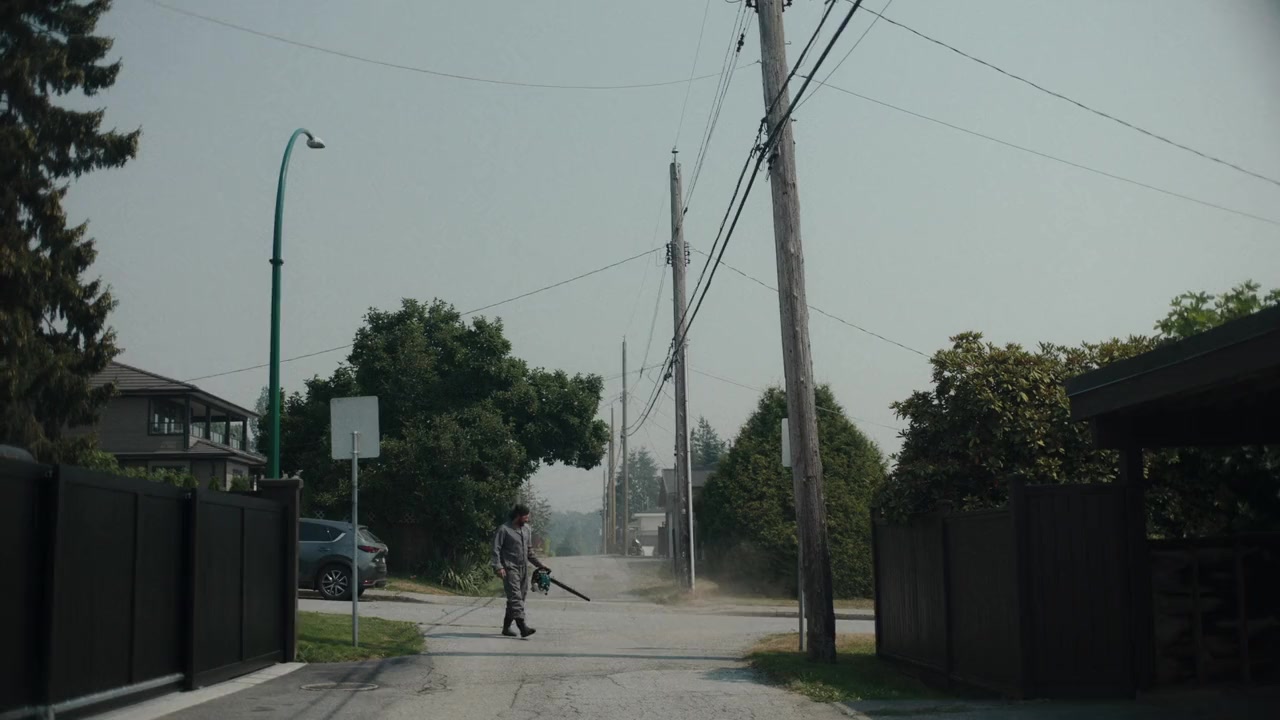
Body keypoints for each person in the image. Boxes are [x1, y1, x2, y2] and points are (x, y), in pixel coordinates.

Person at [490, 503, 550, 637]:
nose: (528, 519)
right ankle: (522, 627)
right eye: (526, 517)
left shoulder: (527, 530)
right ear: (518, 516)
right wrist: (498, 567)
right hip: (509, 568)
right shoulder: (504, 529)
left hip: (523, 568)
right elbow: (495, 550)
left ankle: (506, 628)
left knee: (519, 598)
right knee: (515, 597)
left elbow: (529, 552)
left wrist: (540, 565)